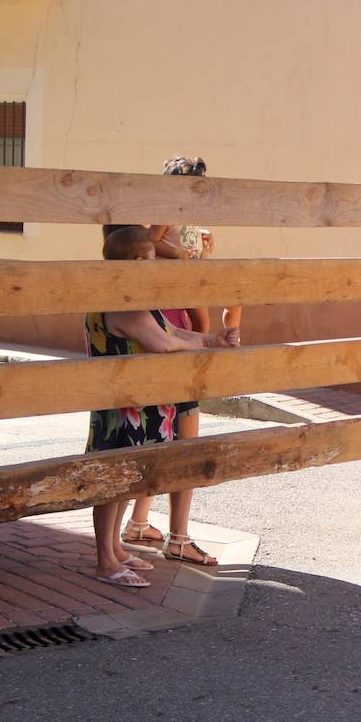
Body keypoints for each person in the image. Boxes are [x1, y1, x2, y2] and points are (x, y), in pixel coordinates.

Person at [87, 227, 240, 587]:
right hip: (122, 408)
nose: (157, 264)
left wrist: (211, 340)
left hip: (137, 404)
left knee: (125, 483)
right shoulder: (121, 303)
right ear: (137, 261)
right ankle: (105, 561)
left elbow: (171, 330)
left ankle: (115, 550)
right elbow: (163, 343)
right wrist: (203, 345)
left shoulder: (133, 297)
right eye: (153, 258)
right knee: (112, 484)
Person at [118, 156, 238, 566]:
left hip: (179, 325)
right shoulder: (153, 229)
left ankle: (138, 522)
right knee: (177, 435)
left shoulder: (181, 229)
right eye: (190, 188)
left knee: (166, 433)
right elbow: (144, 250)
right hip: (164, 330)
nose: (194, 198)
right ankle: (179, 536)